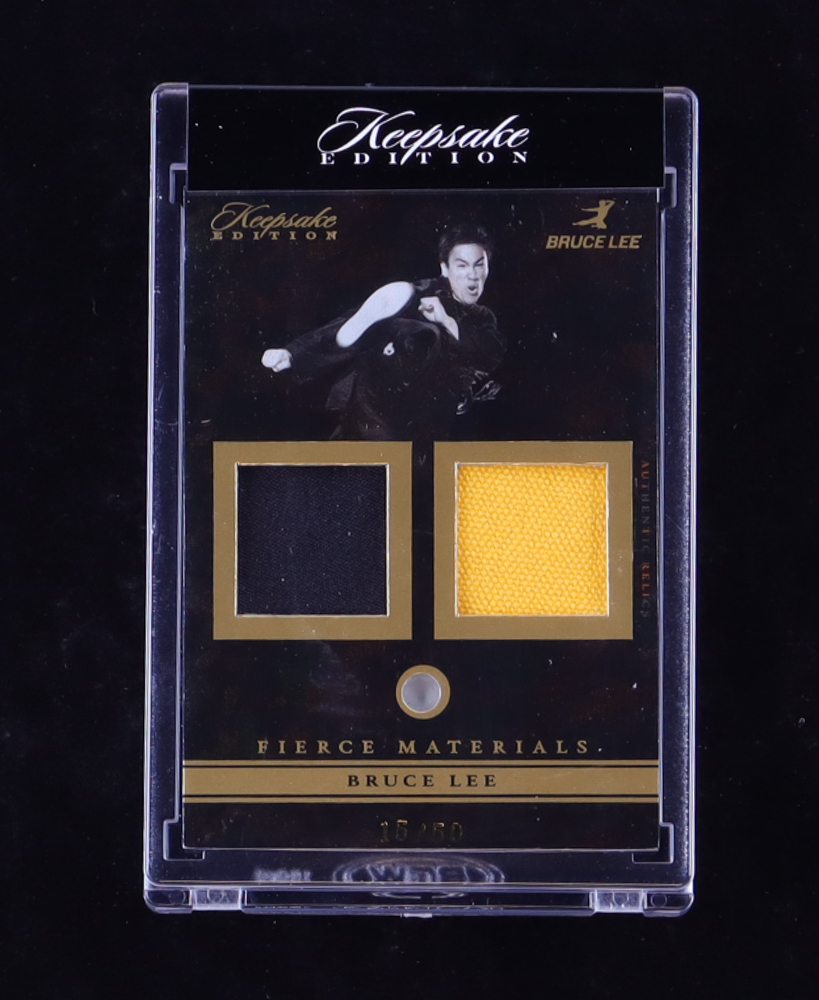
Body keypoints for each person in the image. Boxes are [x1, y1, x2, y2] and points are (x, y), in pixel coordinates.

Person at [261, 225, 505, 440]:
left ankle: (385, 335)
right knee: (423, 333)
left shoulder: (483, 317)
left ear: (487, 268)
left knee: (427, 336)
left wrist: (446, 320)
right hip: (380, 402)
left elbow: (490, 355)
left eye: (479, 265)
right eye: (462, 266)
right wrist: (293, 353)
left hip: (426, 417)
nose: (473, 275)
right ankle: (386, 336)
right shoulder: (424, 292)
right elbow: (348, 323)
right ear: (445, 268)